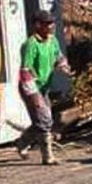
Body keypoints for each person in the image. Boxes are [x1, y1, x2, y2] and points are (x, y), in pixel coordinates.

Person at [17, 10, 72, 165]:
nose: (52, 26)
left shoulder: (52, 40)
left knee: (42, 120)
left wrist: (63, 65)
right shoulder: (30, 45)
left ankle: (22, 142)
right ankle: (48, 156)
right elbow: (25, 71)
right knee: (45, 119)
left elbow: (58, 56)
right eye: (47, 23)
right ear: (38, 25)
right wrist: (34, 96)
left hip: (44, 87)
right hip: (31, 88)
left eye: (52, 23)